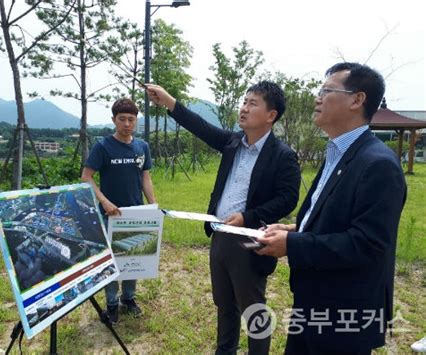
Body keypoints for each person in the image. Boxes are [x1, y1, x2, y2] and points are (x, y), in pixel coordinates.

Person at [257, 62, 407, 355]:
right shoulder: (338, 152)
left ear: (357, 99)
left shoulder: (379, 164)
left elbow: (367, 243)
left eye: (326, 91)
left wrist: (293, 244)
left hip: (345, 310)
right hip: (314, 299)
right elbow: (333, 218)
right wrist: (292, 229)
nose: (317, 97)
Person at [146, 82, 301, 354]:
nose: (244, 108)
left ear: (271, 115)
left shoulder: (282, 155)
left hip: (249, 241)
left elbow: (288, 198)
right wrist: (169, 101)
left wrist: (248, 217)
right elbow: (199, 126)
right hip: (219, 235)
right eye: (244, 101)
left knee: (253, 309)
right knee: (224, 304)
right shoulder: (232, 143)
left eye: (253, 103)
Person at [81, 98, 156, 325]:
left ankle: (129, 299)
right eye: (121, 119)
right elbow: (86, 177)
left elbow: (145, 176)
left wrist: (152, 204)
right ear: (113, 120)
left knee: (133, 257)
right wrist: (104, 201)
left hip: (135, 214)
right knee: (112, 261)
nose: (126, 123)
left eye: (131, 119)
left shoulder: (142, 147)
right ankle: (112, 304)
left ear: (136, 121)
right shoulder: (103, 146)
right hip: (110, 215)